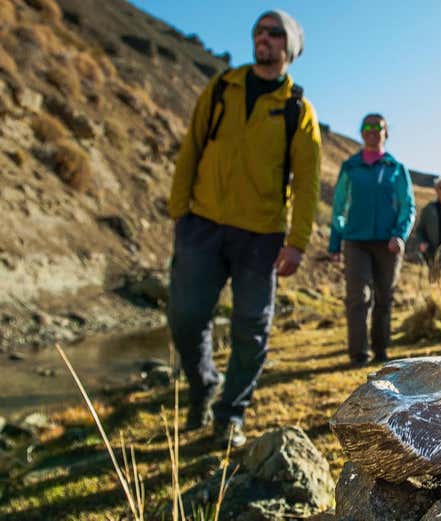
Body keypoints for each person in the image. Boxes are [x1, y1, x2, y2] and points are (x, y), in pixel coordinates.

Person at [166, 10, 321, 447]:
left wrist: (297, 242)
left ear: (289, 47)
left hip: (261, 236)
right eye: (259, 31)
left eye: (274, 34)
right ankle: (202, 386)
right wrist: (180, 212)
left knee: (251, 329)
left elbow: (307, 183)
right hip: (202, 225)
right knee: (185, 317)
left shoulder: (298, 110)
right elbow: (191, 148)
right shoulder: (220, 89)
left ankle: (230, 414)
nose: (263, 38)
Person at [328, 114, 415, 367]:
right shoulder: (350, 166)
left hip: (388, 243)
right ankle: (358, 354)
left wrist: (400, 234)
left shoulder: (395, 168)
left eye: (379, 127)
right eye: (368, 126)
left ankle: (381, 350)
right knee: (358, 296)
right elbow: (339, 206)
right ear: (361, 132)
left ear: (386, 133)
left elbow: (408, 205)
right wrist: (335, 243)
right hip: (355, 241)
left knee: (384, 296)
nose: (373, 130)